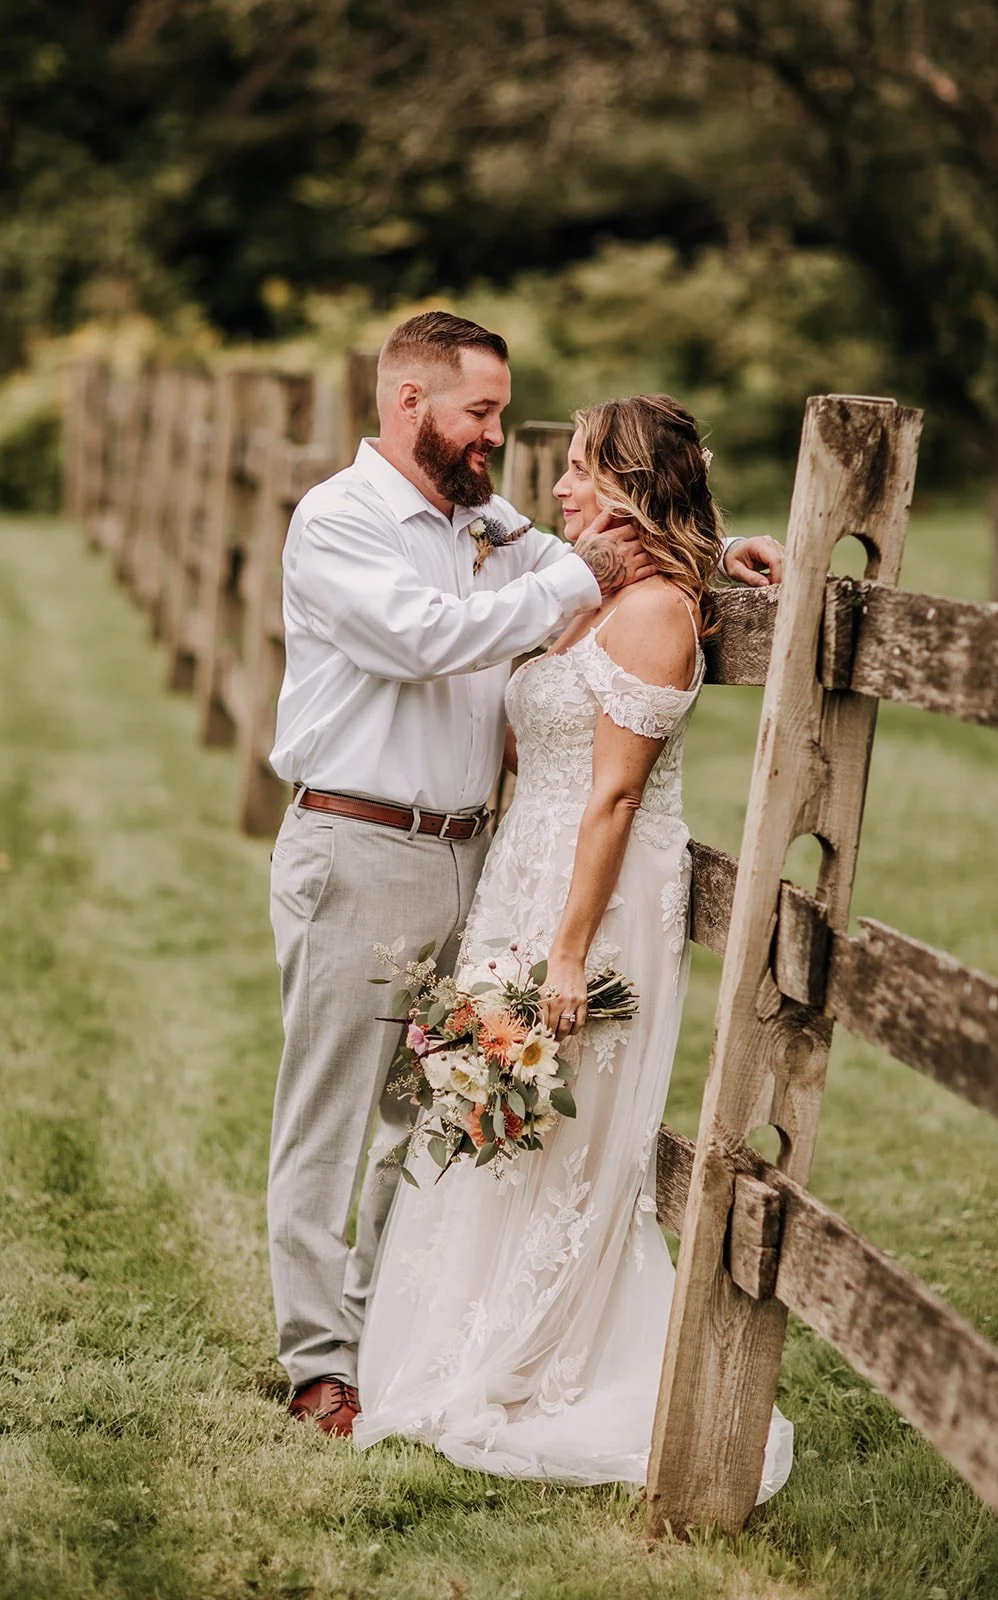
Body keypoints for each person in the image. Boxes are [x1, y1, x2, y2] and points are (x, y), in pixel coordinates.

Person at [267, 310, 784, 1438]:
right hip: (361, 844)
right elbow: (427, 638)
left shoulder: (477, 520)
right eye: (482, 412)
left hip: (478, 854)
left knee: (440, 1112)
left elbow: (610, 548)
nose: (498, 436)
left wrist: (716, 547)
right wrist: (576, 573)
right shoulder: (339, 521)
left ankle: (383, 1337)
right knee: (332, 1112)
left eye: (500, 412)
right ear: (411, 404)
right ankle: (317, 1361)